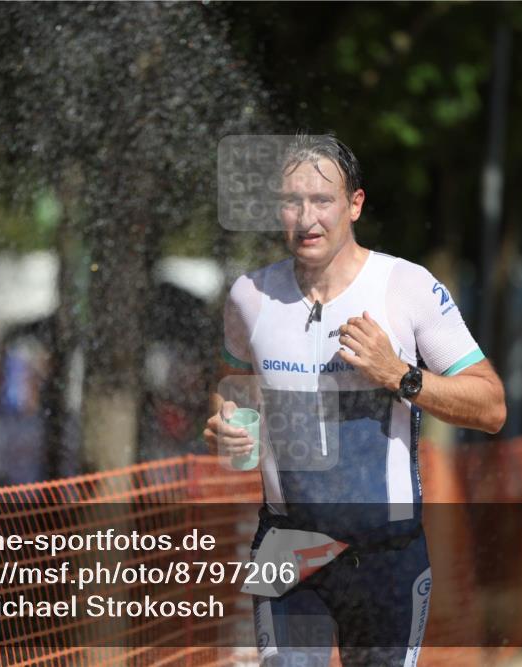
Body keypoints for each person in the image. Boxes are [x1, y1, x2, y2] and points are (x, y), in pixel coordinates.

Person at [203, 134, 506, 666]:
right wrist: (229, 429)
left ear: (355, 205)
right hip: (286, 547)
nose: (306, 217)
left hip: (386, 553)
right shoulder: (249, 296)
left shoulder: (406, 288)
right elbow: (232, 393)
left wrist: (400, 375)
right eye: (292, 202)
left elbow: (491, 406)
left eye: (322, 201)